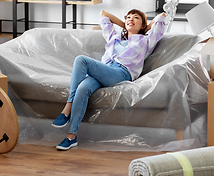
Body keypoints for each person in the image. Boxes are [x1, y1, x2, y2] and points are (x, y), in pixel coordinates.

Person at [52, 9, 166, 150]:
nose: (131, 19)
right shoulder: (114, 37)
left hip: (121, 73)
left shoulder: (145, 41)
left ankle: (67, 107)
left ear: (143, 25)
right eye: (128, 17)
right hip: (104, 70)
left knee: (81, 60)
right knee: (83, 88)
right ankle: (71, 137)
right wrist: (126, 24)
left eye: (136, 18)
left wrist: (146, 28)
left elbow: (161, 18)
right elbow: (104, 14)